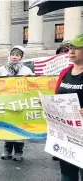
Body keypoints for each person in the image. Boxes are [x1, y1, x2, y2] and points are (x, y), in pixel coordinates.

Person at [0, 45, 34, 161]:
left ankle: (18, 152)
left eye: (17, 55)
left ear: (21, 57)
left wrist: (29, 78)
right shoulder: (2, 69)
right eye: (13, 54)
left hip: (20, 104)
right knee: (8, 127)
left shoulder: (26, 70)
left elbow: (33, 84)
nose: (14, 57)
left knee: (19, 128)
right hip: (6, 103)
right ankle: (7, 150)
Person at [55, 34, 83, 181]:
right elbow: (57, 96)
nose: (71, 52)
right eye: (70, 48)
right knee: (67, 175)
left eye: (77, 48)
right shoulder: (64, 72)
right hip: (66, 134)